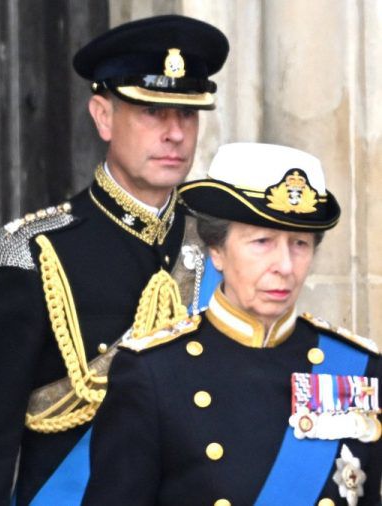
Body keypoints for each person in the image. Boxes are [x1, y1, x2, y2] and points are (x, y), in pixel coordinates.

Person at [0, 14, 229, 505]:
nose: (175, 134)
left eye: (186, 114)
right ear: (102, 116)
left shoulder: (220, 245)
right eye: (152, 112)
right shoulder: (29, 256)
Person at [83, 142, 381, 505]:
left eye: (300, 243)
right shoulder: (154, 373)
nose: (285, 266)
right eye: (262, 242)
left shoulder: (358, 368)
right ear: (217, 250)